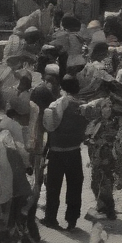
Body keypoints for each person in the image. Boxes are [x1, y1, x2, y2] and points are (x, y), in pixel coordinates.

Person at [41, 74, 87, 230]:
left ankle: (50, 218)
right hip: (74, 151)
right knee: (75, 186)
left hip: (57, 152)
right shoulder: (82, 106)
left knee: (53, 187)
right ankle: (72, 220)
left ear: (62, 87)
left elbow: (49, 127)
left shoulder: (57, 104)